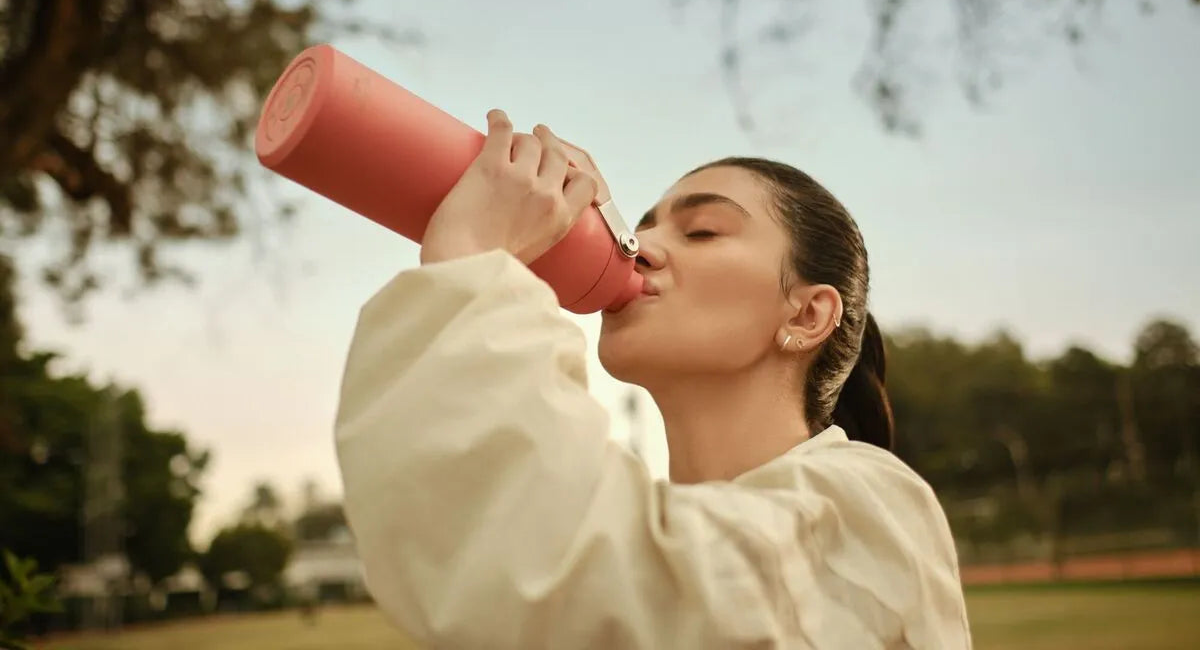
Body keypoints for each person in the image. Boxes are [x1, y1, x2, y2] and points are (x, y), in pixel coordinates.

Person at [334, 109, 973, 648]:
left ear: (807, 315)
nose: (640, 247)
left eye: (702, 231)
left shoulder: (872, 506)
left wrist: (475, 264)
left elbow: (575, 586)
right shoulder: (663, 518)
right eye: (638, 229)